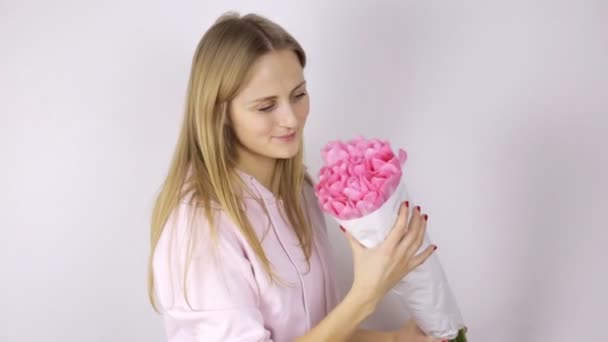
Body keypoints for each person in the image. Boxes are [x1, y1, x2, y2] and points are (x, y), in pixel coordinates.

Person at [148, 11, 442, 342]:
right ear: (220, 114)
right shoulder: (200, 224)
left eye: (298, 95)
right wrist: (366, 295)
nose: (291, 119)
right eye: (265, 106)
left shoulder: (300, 194)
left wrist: (395, 340)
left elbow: (316, 333)